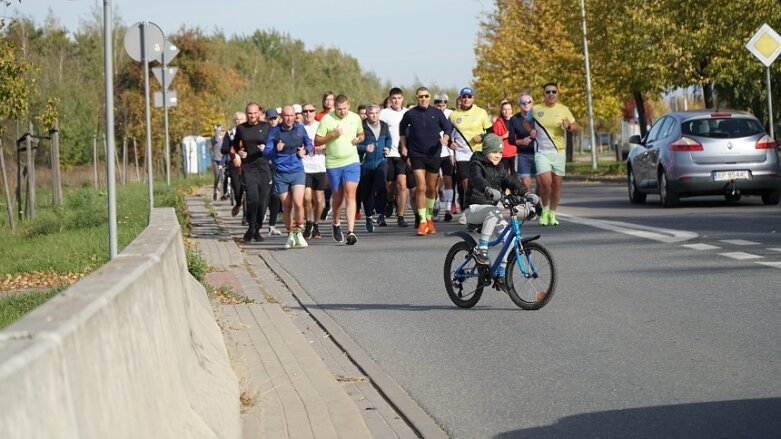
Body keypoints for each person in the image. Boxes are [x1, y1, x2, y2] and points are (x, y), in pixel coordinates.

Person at [465, 133, 535, 291]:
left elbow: (511, 180)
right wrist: (487, 189)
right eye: (494, 152)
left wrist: (526, 193)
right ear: (485, 151)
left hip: (492, 212)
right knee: (494, 210)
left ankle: (501, 275)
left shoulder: (500, 167)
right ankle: (481, 250)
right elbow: (477, 178)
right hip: (474, 208)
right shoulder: (476, 162)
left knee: (511, 241)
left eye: (500, 153)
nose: (498, 155)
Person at [398, 86, 451, 236]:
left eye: (426, 96)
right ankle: (422, 222)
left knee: (431, 188)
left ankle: (429, 219)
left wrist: (446, 139)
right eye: (421, 96)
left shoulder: (437, 113)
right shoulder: (410, 114)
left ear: (429, 97)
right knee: (420, 187)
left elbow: (447, 129)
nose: (424, 99)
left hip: (434, 155)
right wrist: (403, 147)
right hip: (416, 154)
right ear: (416, 97)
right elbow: (401, 130)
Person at [524, 82, 578, 226]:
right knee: (545, 183)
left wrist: (569, 126)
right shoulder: (536, 109)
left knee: (556, 185)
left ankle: (553, 214)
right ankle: (545, 210)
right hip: (542, 152)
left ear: (558, 94)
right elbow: (526, 122)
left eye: (554, 92)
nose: (551, 95)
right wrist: (530, 130)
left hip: (559, 152)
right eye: (548, 92)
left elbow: (576, 127)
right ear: (544, 94)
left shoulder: (564, 110)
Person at [314, 94, 365, 245]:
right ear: (334, 107)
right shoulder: (327, 119)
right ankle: (336, 223)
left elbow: (361, 133)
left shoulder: (355, 118)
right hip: (334, 163)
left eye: (344, 109)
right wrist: (332, 135)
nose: (342, 112)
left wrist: (359, 139)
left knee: (350, 194)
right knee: (338, 197)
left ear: (349, 106)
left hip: (351, 161)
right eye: (338, 109)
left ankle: (351, 231)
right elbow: (317, 141)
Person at [264, 105, 312, 249]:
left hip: (297, 170)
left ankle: (299, 232)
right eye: (286, 116)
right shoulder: (274, 131)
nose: (289, 118)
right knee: (286, 206)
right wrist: (274, 150)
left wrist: (305, 150)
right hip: (281, 172)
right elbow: (266, 152)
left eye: (292, 115)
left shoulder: (300, 129)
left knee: (298, 202)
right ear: (281, 117)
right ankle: (290, 234)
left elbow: (309, 143)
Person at [450, 88, 492, 224]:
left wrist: (482, 136)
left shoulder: (481, 113)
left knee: (477, 184)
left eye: (469, 96)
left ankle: (479, 211)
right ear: (460, 98)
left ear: (473, 98)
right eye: (464, 96)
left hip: (478, 153)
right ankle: (466, 210)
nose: (466, 99)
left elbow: (491, 132)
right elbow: (446, 132)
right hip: (462, 154)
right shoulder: (454, 115)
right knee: (465, 183)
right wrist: (450, 143)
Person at [232, 102, 273, 243]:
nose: (253, 115)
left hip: (264, 168)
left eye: (255, 113)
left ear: (259, 113)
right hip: (249, 168)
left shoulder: (266, 127)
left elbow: (273, 143)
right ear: (246, 114)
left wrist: (267, 148)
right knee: (252, 199)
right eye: (250, 113)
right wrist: (240, 152)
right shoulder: (241, 128)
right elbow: (236, 144)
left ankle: (256, 228)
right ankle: (251, 227)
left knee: (262, 203)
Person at [379, 87, 411, 227]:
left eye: (398, 98)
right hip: (388, 154)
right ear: (389, 99)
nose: (396, 101)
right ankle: (390, 202)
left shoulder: (408, 113)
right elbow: (378, 132)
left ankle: (401, 216)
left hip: (402, 154)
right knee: (389, 188)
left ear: (402, 98)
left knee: (402, 185)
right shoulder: (384, 113)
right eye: (393, 98)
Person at [357, 103, 391, 232]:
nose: (374, 115)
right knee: (367, 192)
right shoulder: (361, 126)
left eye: (376, 113)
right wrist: (364, 148)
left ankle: (381, 214)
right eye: (371, 113)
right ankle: (369, 217)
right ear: (366, 114)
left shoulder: (383, 125)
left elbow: (388, 138)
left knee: (381, 185)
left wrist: (387, 147)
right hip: (366, 163)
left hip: (381, 161)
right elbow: (354, 144)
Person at [300, 102, 325, 239]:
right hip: (304, 167)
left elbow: (330, 143)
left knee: (319, 200)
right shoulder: (299, 128)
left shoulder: (320, 127)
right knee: (307, 198)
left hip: (319, 166)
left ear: (315, 113)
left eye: (311, 111)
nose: (308, 113)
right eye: (305, 111)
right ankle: (308, 223)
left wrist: (324, 145)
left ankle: (316, 224)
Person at [508, 92, 537, 192]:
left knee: (542, 184)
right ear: (519, 104)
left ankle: (537, 201)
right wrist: (521, 141)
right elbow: (511, 139)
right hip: (523, 155)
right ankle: (530, 205)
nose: (526, 104)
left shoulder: (538, 117)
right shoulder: (514, 119)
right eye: (523, 102)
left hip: (540, 154)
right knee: (526, 182)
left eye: (528, 102)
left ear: (532, 103)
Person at [433, 92, 456, 222]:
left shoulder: (450, 115)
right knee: (434, 181)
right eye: (438, 105)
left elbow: (452, 135)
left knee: (448, 180)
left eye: (443, 105)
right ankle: (436, 205)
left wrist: (452, 154)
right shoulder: (431, 114)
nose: (440, 107)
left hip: (447, 153)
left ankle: (447, 209)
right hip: (434, 154)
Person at [221, 112, 247, 216]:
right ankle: (238, 203)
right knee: (237, 190)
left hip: (248, 163)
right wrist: (232, 149)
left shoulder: (249, 131)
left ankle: (246, 216)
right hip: (234, 164)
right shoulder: (230, 133)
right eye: (236, 119)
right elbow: (223, 149)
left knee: (248, 191)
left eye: (240, 119)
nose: (238, 121)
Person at [492, 100, 517, 175]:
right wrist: (504, 136)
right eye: (504, 109)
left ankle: (514, 187)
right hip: (504, 153)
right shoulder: (498, 123)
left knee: (514, 175)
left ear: (511, 110)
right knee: (504, 175)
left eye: (509, 109)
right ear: (502, 111)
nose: (507, 111)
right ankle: (504, 187)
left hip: (515, 152)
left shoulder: (516, 121)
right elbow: (493, 139)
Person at [211, 126, 225, 201]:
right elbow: (216, 139)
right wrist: (216, 131)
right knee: (217, 176)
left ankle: (222, 194)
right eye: (221, 130)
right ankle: (215, 191)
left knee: (223, 177)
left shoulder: (225, 139)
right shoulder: (214, 139)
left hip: (223, 160)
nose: (222, 132)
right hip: (216, 159)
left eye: (223, 130)